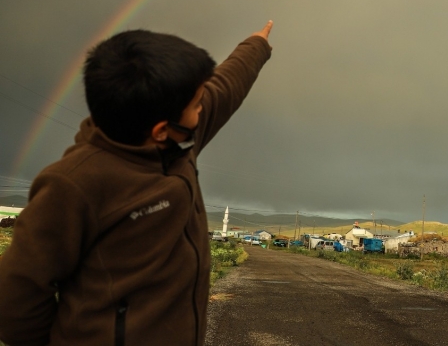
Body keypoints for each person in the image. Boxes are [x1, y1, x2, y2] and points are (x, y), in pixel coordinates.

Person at [0, 21, 273, 346]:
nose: (203, 109)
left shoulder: (178, 142)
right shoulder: (73, 184)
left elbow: (227, 84)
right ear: (161, 130)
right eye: (197, 104)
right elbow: (16, 295)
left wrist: (256, 45)